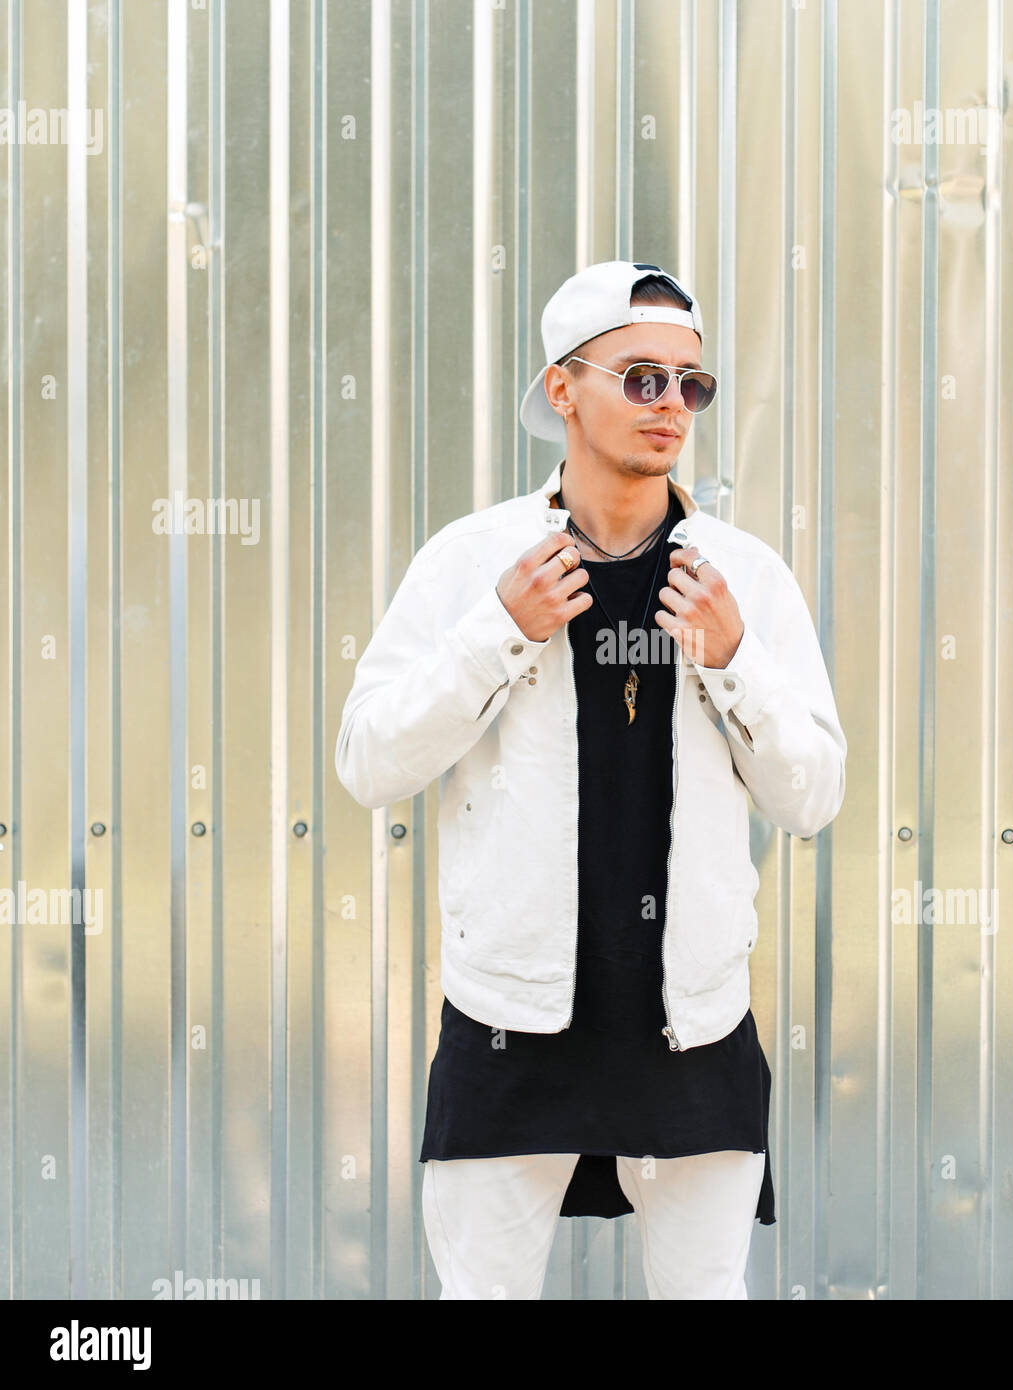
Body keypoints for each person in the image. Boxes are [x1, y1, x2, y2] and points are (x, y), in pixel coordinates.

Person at [334, 260, 847, 1299]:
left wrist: (732, 656)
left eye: (690, 384)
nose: (671, 407)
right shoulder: (473, 562)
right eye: (641, 378)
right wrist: (496, 631)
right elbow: (369, 762)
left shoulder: (741, 577)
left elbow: (812, 797)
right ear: (561, 388)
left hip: (693, 1028)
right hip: (506, 1027)